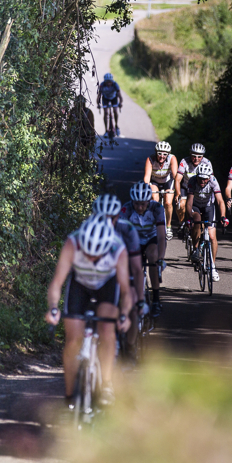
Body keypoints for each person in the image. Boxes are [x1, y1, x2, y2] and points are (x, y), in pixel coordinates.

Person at [45, 213, 132, 407]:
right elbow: (57, 283)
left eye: (97, 254)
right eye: (88, 253)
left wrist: (124, 315)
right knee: (73, 340)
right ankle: (69, 397)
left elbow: (126, 291)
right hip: (80, 284)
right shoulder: (72, 243)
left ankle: (107, 384)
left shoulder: (118, 249)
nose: (92, 258)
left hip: (106, 284)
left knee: (107, 330)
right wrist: (53, 309)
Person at [92, 193, 147, 355]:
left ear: (117, 216)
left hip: (126, 270)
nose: (106, 222)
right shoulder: (90, 228)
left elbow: (137, 269)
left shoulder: (127, 230)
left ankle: (130, 347)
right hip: (103, 273)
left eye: (111, 218)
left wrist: (140, 299)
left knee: (132, 306)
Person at [120, 181, 167, 317]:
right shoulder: (126, 209)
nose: (139, 207)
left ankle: (156, 300)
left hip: (151, 238)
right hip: (134, 240)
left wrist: (161, 259)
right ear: (132, 201)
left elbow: (161, 236)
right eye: (136, 204)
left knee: (152, 256)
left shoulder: (157, 208)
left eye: (143, 204)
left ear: (149, 201)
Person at [185, 161, 229, 283]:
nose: (203, 181)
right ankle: (195, 249)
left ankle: (213, 267)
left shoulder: (213, 181)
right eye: (201, 179)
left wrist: (223, 216)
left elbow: (220, 201)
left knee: (212, 236)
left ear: (209, 177)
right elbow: (189, 202)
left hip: (209, 207)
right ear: (197, 176)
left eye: (205, 179)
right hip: (196, 206)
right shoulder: (192, 181)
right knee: (197, 220)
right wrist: (189, 218)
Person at [143, 141, 178, 238]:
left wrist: (178, 191)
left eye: (165, 154)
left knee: (168, 203)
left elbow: (175, 176)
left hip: (168, 181)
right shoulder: (150, 159)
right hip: (155, 181)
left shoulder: (172, 158)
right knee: (154, 198)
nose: (162, 156)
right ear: (156, 153)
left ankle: (169, 226)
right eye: (159, 153)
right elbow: (147, 178)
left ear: (168, 154)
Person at [175, 143, 212, 227]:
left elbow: (211, 181)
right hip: (186, 187)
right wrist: (177, 194)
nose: (196, 159)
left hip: (199, 190)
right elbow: (177, 179)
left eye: (199, 156)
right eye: (194, 156)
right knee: (181, 204)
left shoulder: (207, 163)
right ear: (190, 154)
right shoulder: (184, 161)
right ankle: (182, 223)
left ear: (203, 156)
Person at [97, 72, 123, 136]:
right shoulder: (102, 85)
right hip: (105, 98)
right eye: (107, 82)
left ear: (112, 81)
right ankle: (106, 130)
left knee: (115, 111)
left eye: (110, 82)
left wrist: (120, 103)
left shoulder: (115, 84)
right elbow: (99, 96)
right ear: (105, 81)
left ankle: (116, 126)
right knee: (105, 112)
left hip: (114, 98)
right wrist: (98, 104)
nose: (109, 83)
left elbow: (120, 95)